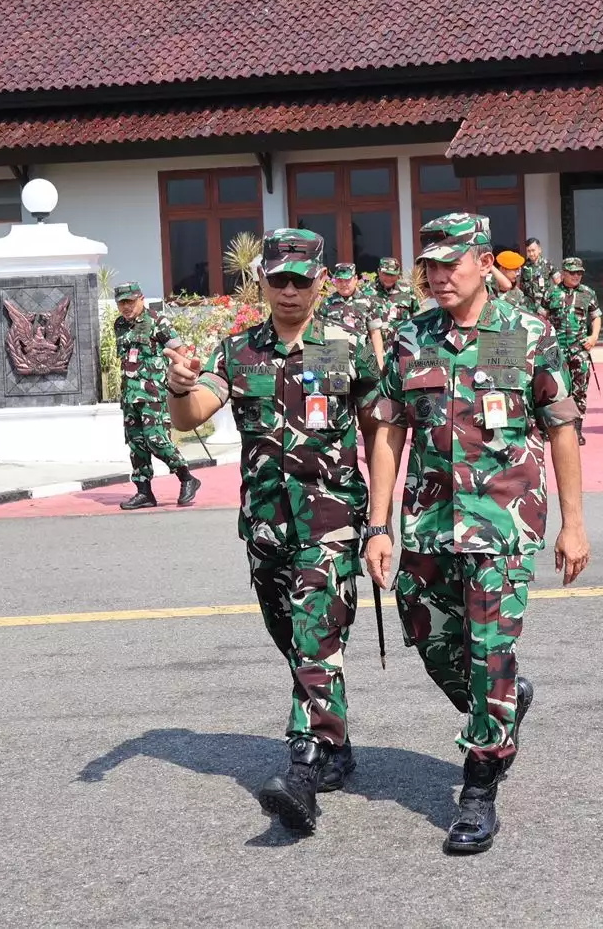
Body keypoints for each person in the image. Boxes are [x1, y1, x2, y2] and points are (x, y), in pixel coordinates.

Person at [365, 212, 590, 856]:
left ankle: (479, 783)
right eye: (429, 265)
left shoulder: (527, 334)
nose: (437, 276)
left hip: (504, 520)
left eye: (450, 263)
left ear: (483, 262)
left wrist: (573, 523)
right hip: (429, 521)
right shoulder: (411, 337)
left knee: (490, 649)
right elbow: (389, 431)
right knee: (431, 640)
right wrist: (379, 526)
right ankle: (507, 702)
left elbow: (562, 426)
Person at [165, 229, 380, 834]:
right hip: (265, 525)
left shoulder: (344, 347)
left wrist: (384, 516)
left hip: (331, 522)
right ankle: (335, 745)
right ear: (262, 281)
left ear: (320, 281)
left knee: (316, 638)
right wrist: (180, 388)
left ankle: (302, 772)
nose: (289, 290)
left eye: (301, 279)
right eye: (278, 279)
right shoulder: (238, 352)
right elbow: (191, 416)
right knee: (296, 642)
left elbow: (379, 429)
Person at [112, 282, 200, 510]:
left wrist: (178, 379)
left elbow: (179, 353)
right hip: (130, 394)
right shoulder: (120, 325)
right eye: (121, 303)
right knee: (136, 444)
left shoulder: (158, 322)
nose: (126, 307)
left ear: (141, 298)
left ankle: (187, 477)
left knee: (156, 439)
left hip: (154, 393)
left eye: (130, 301)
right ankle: (144, 492)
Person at [541, 257, 601, 445]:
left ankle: (577, 429)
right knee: (555, 389)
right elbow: (541, 318)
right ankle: (554, 428)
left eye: (579, 273)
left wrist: (593, 337)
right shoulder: (551, 293)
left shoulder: (587, 293)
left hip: (579, 349)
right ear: (564, 273)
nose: (576, 276)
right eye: (572, 272)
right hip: (556, 349)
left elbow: (596, 317)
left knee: (579, 389)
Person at [318, 261, 386, 364]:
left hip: (363, 357)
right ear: (335, 281)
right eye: (340, 280)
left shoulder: (368, 302)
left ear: (355, 279)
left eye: (347, 280)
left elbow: (375, 334)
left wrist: (380, 362)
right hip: (336, 357)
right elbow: (317, 333)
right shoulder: (326, 303)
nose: (344, 284)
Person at [366, 256, 422, 333]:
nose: (389, 278)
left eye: (392, 275)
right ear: (379, 272)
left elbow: (417, 317)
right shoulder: (366, 291)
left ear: (398, 274)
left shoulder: (407, 291)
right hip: (375, 343)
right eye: (385, 274)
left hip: (401, 342)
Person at [518, 238, 554, 313]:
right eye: (528, 251)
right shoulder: (523, 266)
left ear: (539, 250)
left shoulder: (548, 264)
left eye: (533, 250)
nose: (531, 254)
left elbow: (558, 283)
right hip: (528, 306)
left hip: (545, 306)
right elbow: (519, 286)